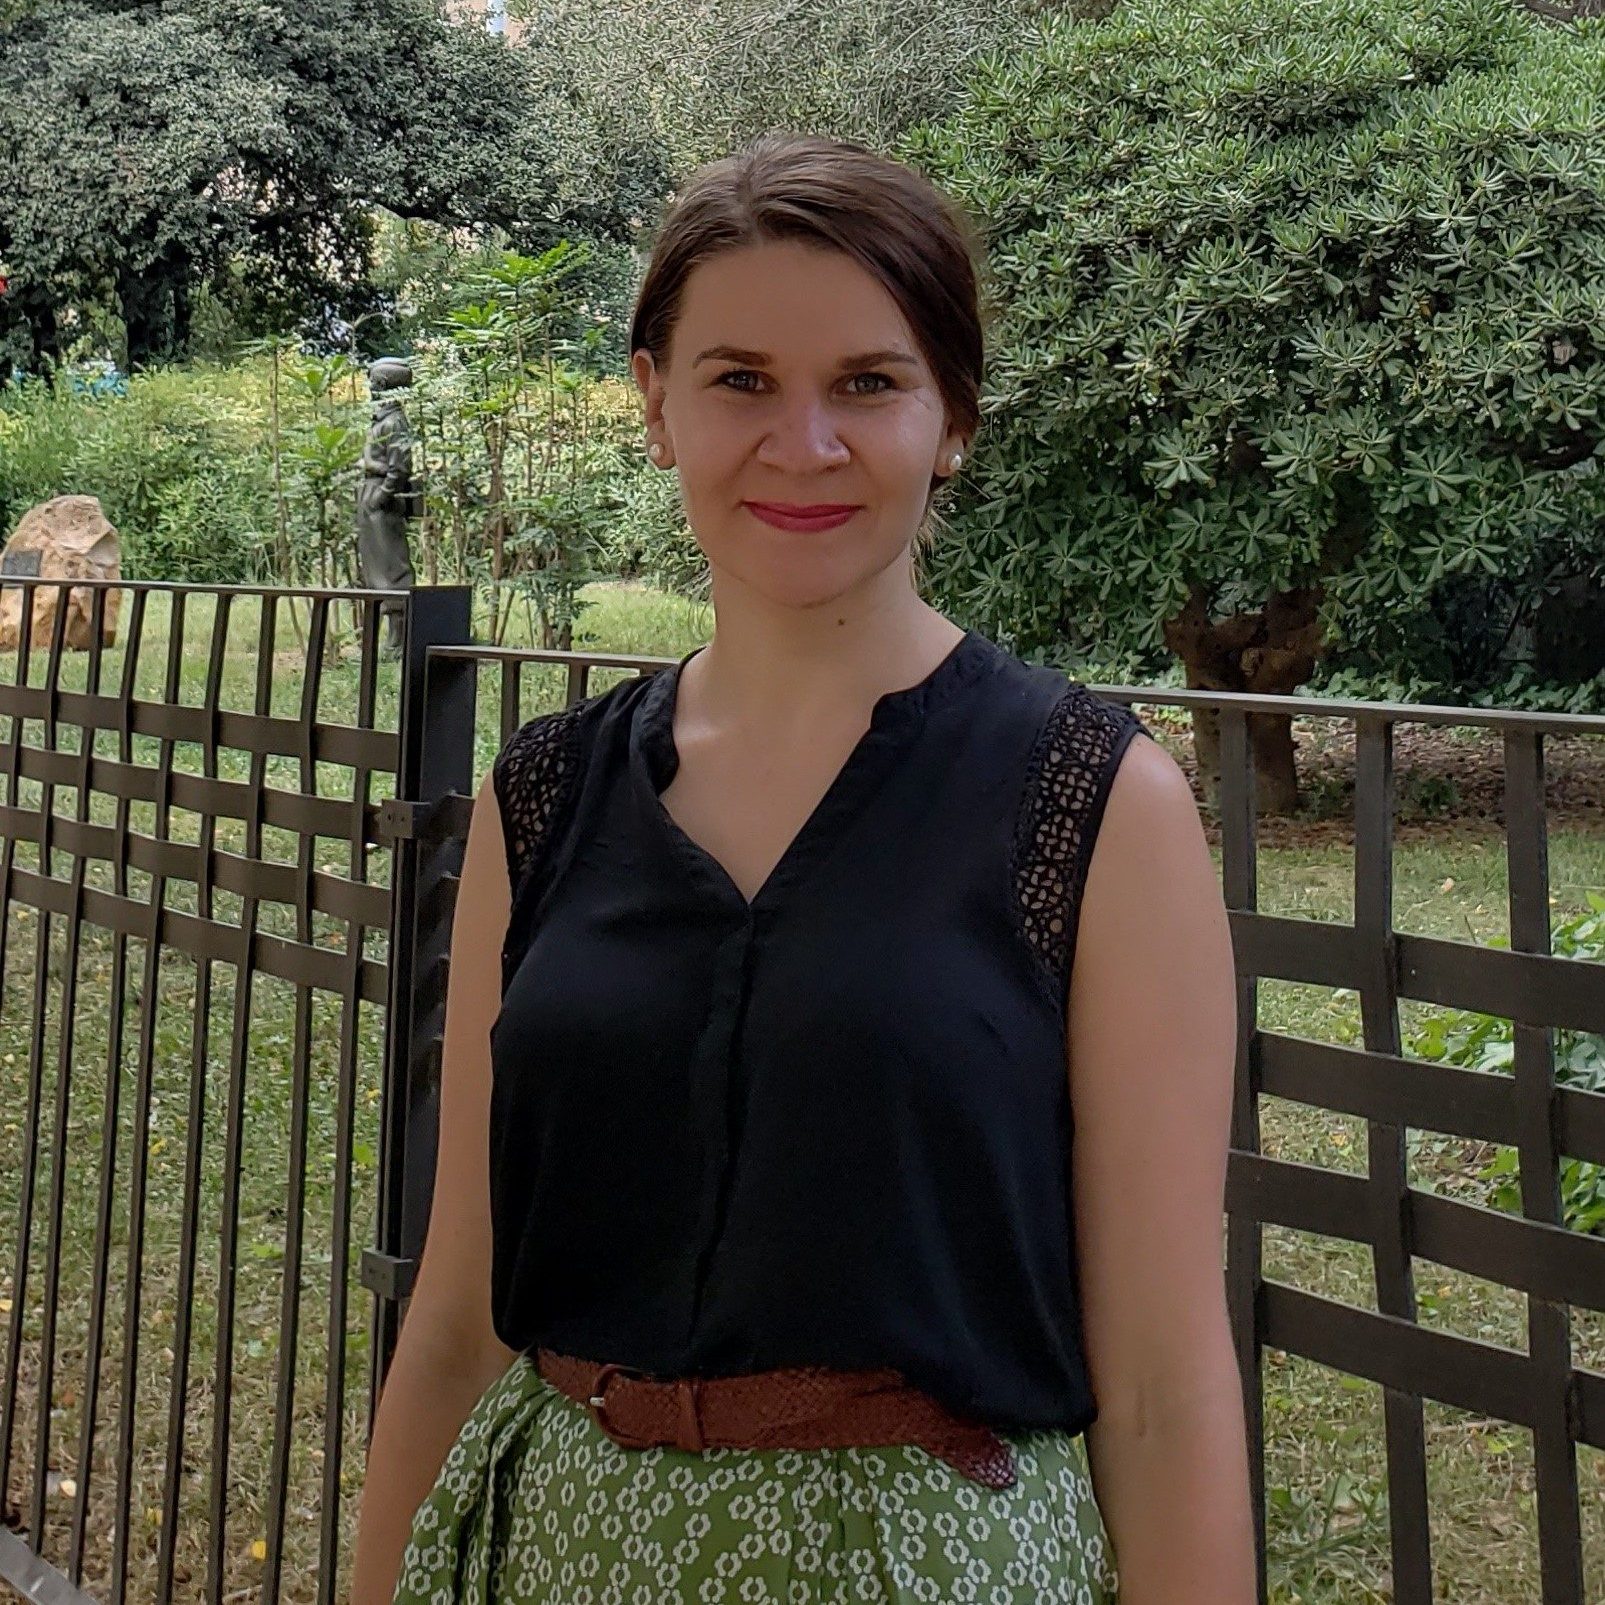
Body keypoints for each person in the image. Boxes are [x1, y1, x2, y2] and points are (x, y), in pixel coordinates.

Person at [350, 133, 1256, 1605]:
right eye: (742, 381)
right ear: (654, 403)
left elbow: (1162, 1386)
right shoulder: (547, 796)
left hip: (927, 1568)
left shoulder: (1092, 804)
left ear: (952, 416)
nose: (806, 444)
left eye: (869, 384)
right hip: (556, 1552)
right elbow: (457, 1313)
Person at [355, 357, 420, 659]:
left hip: (382, 498)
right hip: (372, 495)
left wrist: (382, 494)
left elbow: (400, 467)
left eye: (374, 382)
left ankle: (400, 638)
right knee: (376, 567)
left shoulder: (394, 422)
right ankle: (390, 638)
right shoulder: (382, 420)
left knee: (391, 567)